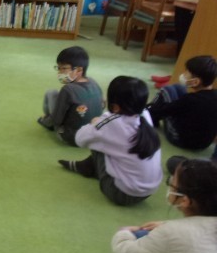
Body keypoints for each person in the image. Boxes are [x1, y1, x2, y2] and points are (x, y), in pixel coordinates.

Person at [59, 76, 162, 206]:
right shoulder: (145, 115)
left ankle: (88, 168)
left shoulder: (111, 123)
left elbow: (79, 139)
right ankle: (88, 166)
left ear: (116, 106)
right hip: (148, 191)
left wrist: (95, 122)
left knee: (98, 140)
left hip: (121, 193)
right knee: (110, 143)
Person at [37, 46, 104, 145]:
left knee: (51, 93)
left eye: (64, 68)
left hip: (70, 136)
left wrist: (47, 121)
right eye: (58, 68)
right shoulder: (93, 82)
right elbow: (102, 105)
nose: (60, 72)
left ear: (79, 70)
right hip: (93, 135)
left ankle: (46, 121)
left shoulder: (67, 90)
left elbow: (56, 120)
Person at [147, 55, 217, 150]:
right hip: (204, 143)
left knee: (166, 90)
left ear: (195, 82)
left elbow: (166, 110)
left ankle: (149, 116)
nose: (183, 75)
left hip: (181, 139)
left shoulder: (191, 99)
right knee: (179, 87)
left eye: (187, 73)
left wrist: (152, 108)